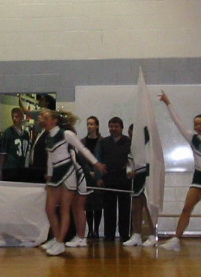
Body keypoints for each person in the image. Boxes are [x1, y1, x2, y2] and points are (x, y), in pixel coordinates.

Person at [146, 91, 201, 254]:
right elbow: (177, 121)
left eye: (200, 124)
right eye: (195, 124)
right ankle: (176, 239)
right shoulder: (191, 138)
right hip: (199, 177)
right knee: (186, 208)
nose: (198, 127)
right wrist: (167, 103)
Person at [40, 108, 106, 256]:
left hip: (69, 172)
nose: (41, 118)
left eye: (44, 116)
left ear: (54, 120)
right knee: (49, 209)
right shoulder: (48, 137)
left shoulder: (66, 134)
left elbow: (83, 149)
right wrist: (49, 176)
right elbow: (50, 158)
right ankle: (57, 238)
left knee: (65, 209)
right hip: (56, 174)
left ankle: (60, 242)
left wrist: (96, 164)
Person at [96, 117, 132, 243]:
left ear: (121, 128)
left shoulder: (129, 142)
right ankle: (109, 235)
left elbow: (133, 160)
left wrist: (131, 172)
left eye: (116, 126)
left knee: (125, 209)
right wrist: (99, 178)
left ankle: (124, 235)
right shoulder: (103, 142)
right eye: (111, 126)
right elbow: (98, 160)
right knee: (108, 209)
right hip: (108, 179)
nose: (113, 129)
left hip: (124, 180)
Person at [125, 124, 158, 248]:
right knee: (135, 206)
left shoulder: (149, 146)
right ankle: (137, 235)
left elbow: (156, 161)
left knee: (148, 206)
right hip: (137, 177)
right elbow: (129, 164)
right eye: (130, 134)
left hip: (148, 175)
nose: (132, 136)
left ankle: (152, 235)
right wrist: (129, 171)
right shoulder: (132, 148)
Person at [81, 116, 103, 239]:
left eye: (92, 124)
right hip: (86, 176)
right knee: (88, 204)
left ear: (97, 126)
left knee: (98, 204)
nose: (89, 126)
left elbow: (102, 159)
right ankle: (90, 229)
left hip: (99, 176)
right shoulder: (82, 142)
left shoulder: (102, 141)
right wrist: (88, 171)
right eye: (88, 124)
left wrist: (97, 172)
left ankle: (96, 230)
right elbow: (81, 159)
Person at [0, 107, 31, 183]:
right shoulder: (8, 132)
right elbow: (3, 154)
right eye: (13, 117)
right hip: (10, 168)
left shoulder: (26, 134)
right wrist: (1, 171)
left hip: (21, 168)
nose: (14, 119)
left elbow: (27, 153)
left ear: (22, 117)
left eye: (17, 116)